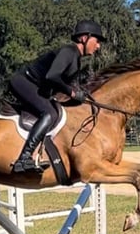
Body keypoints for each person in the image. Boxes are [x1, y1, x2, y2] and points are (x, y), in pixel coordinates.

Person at [9, 19, 105, 173]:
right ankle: (24, 158)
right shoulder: (69, 51)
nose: (98, 46)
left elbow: (70, 86)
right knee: (50, 113)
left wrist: (83, 94)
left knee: (57, 111)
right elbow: (52, 76)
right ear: (84, 38)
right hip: (23, 81)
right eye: (97, 40)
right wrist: (72, 92)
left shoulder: (77, 61)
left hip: (36, 87)